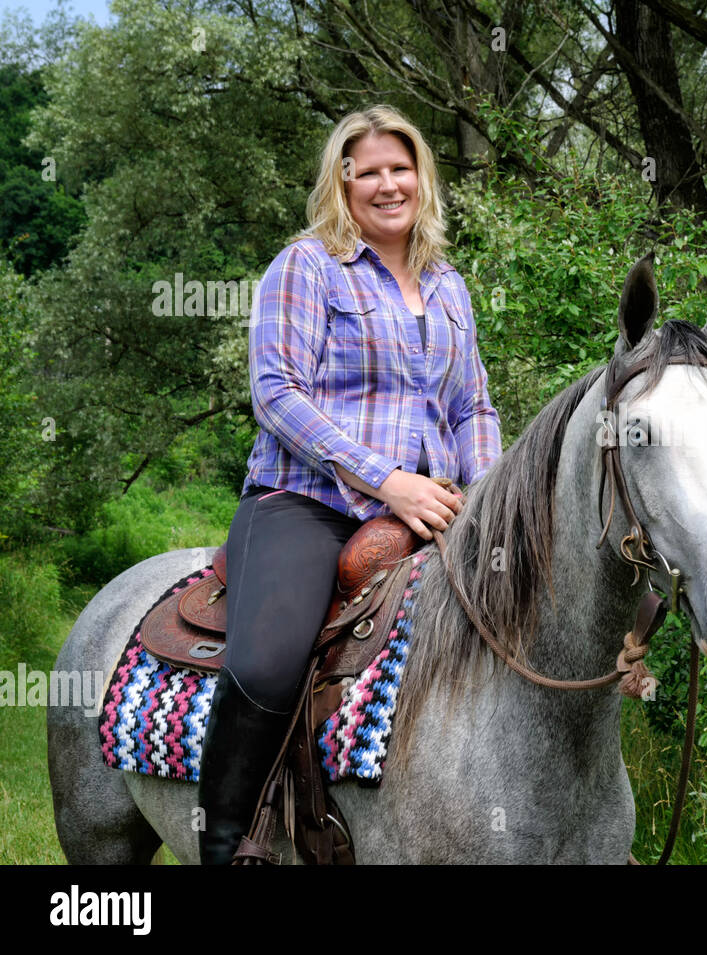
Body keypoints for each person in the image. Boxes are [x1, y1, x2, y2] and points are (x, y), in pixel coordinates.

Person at [197, 104, 502, 865]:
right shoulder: (306, 265)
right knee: (268, 660)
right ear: (343, 180)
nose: (387, 184)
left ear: (421, 178)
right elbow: (276, 392)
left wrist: (492, 500)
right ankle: (226, 843)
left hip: (433, 510)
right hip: (306, 503)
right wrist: (387, 480)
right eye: (368, 171)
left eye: (401, 168)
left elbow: (472, 406)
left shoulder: (448, 286)